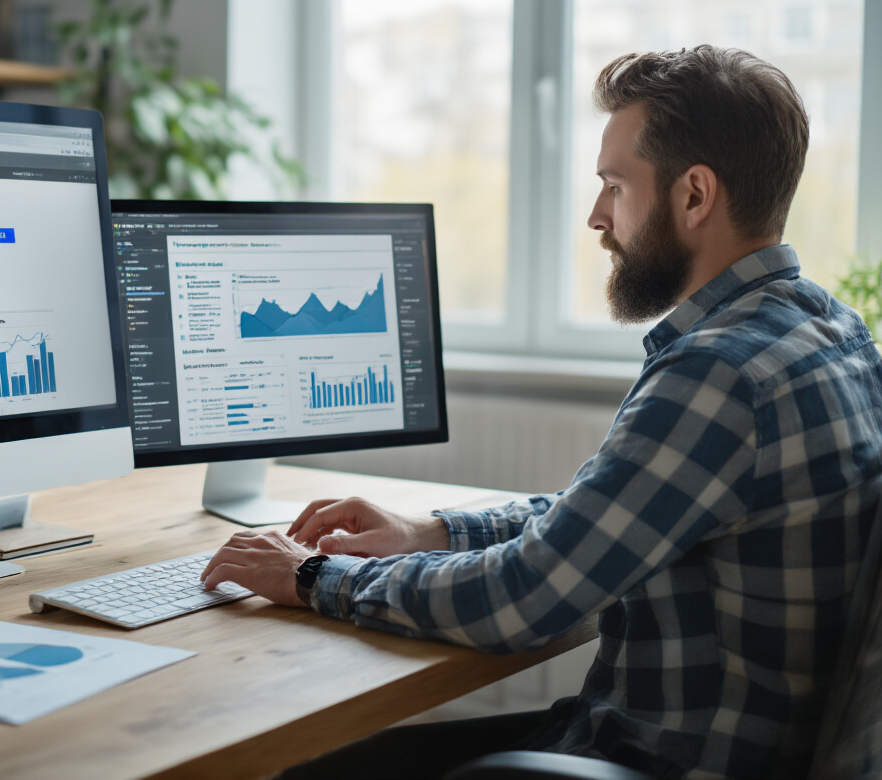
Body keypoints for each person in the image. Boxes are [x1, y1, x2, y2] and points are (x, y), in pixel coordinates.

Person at [200, 45, 882, 780]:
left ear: (694, 196)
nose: (596, 216)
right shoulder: (830, 333)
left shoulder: (720, 373)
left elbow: (523, 599)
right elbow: (606, 515)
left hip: (656, 762)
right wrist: (429, 531)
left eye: (614, 186)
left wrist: (310, 578)